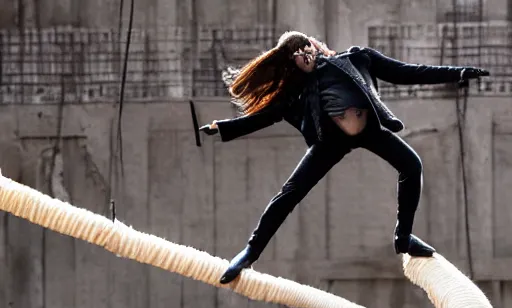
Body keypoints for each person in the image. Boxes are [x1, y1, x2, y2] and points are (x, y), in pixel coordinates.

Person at [199, 31, 489, 285]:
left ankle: (404, 238)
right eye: (297, 58)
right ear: (291, 63)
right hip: (330, 142)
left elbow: (409, 72)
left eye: (306, 51)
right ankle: (250, 252)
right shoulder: (297, 89)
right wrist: (222, 127)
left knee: (412, 165)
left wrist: (459, 72)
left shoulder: (357, 59)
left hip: (370, 131)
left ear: (313, 46)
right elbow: (265, 117)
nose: (305, 59)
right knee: (289, 193)